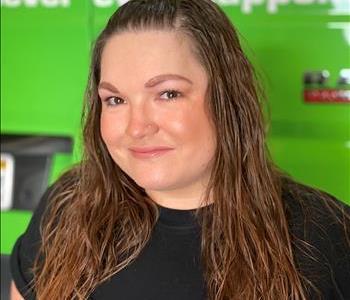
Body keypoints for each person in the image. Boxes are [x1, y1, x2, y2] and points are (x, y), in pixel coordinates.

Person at [10, 0, 350, 299]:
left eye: (168, 94)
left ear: (226, 99)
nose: (137, 127)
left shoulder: (326, 235)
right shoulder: (66, 206)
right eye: (115, 100)